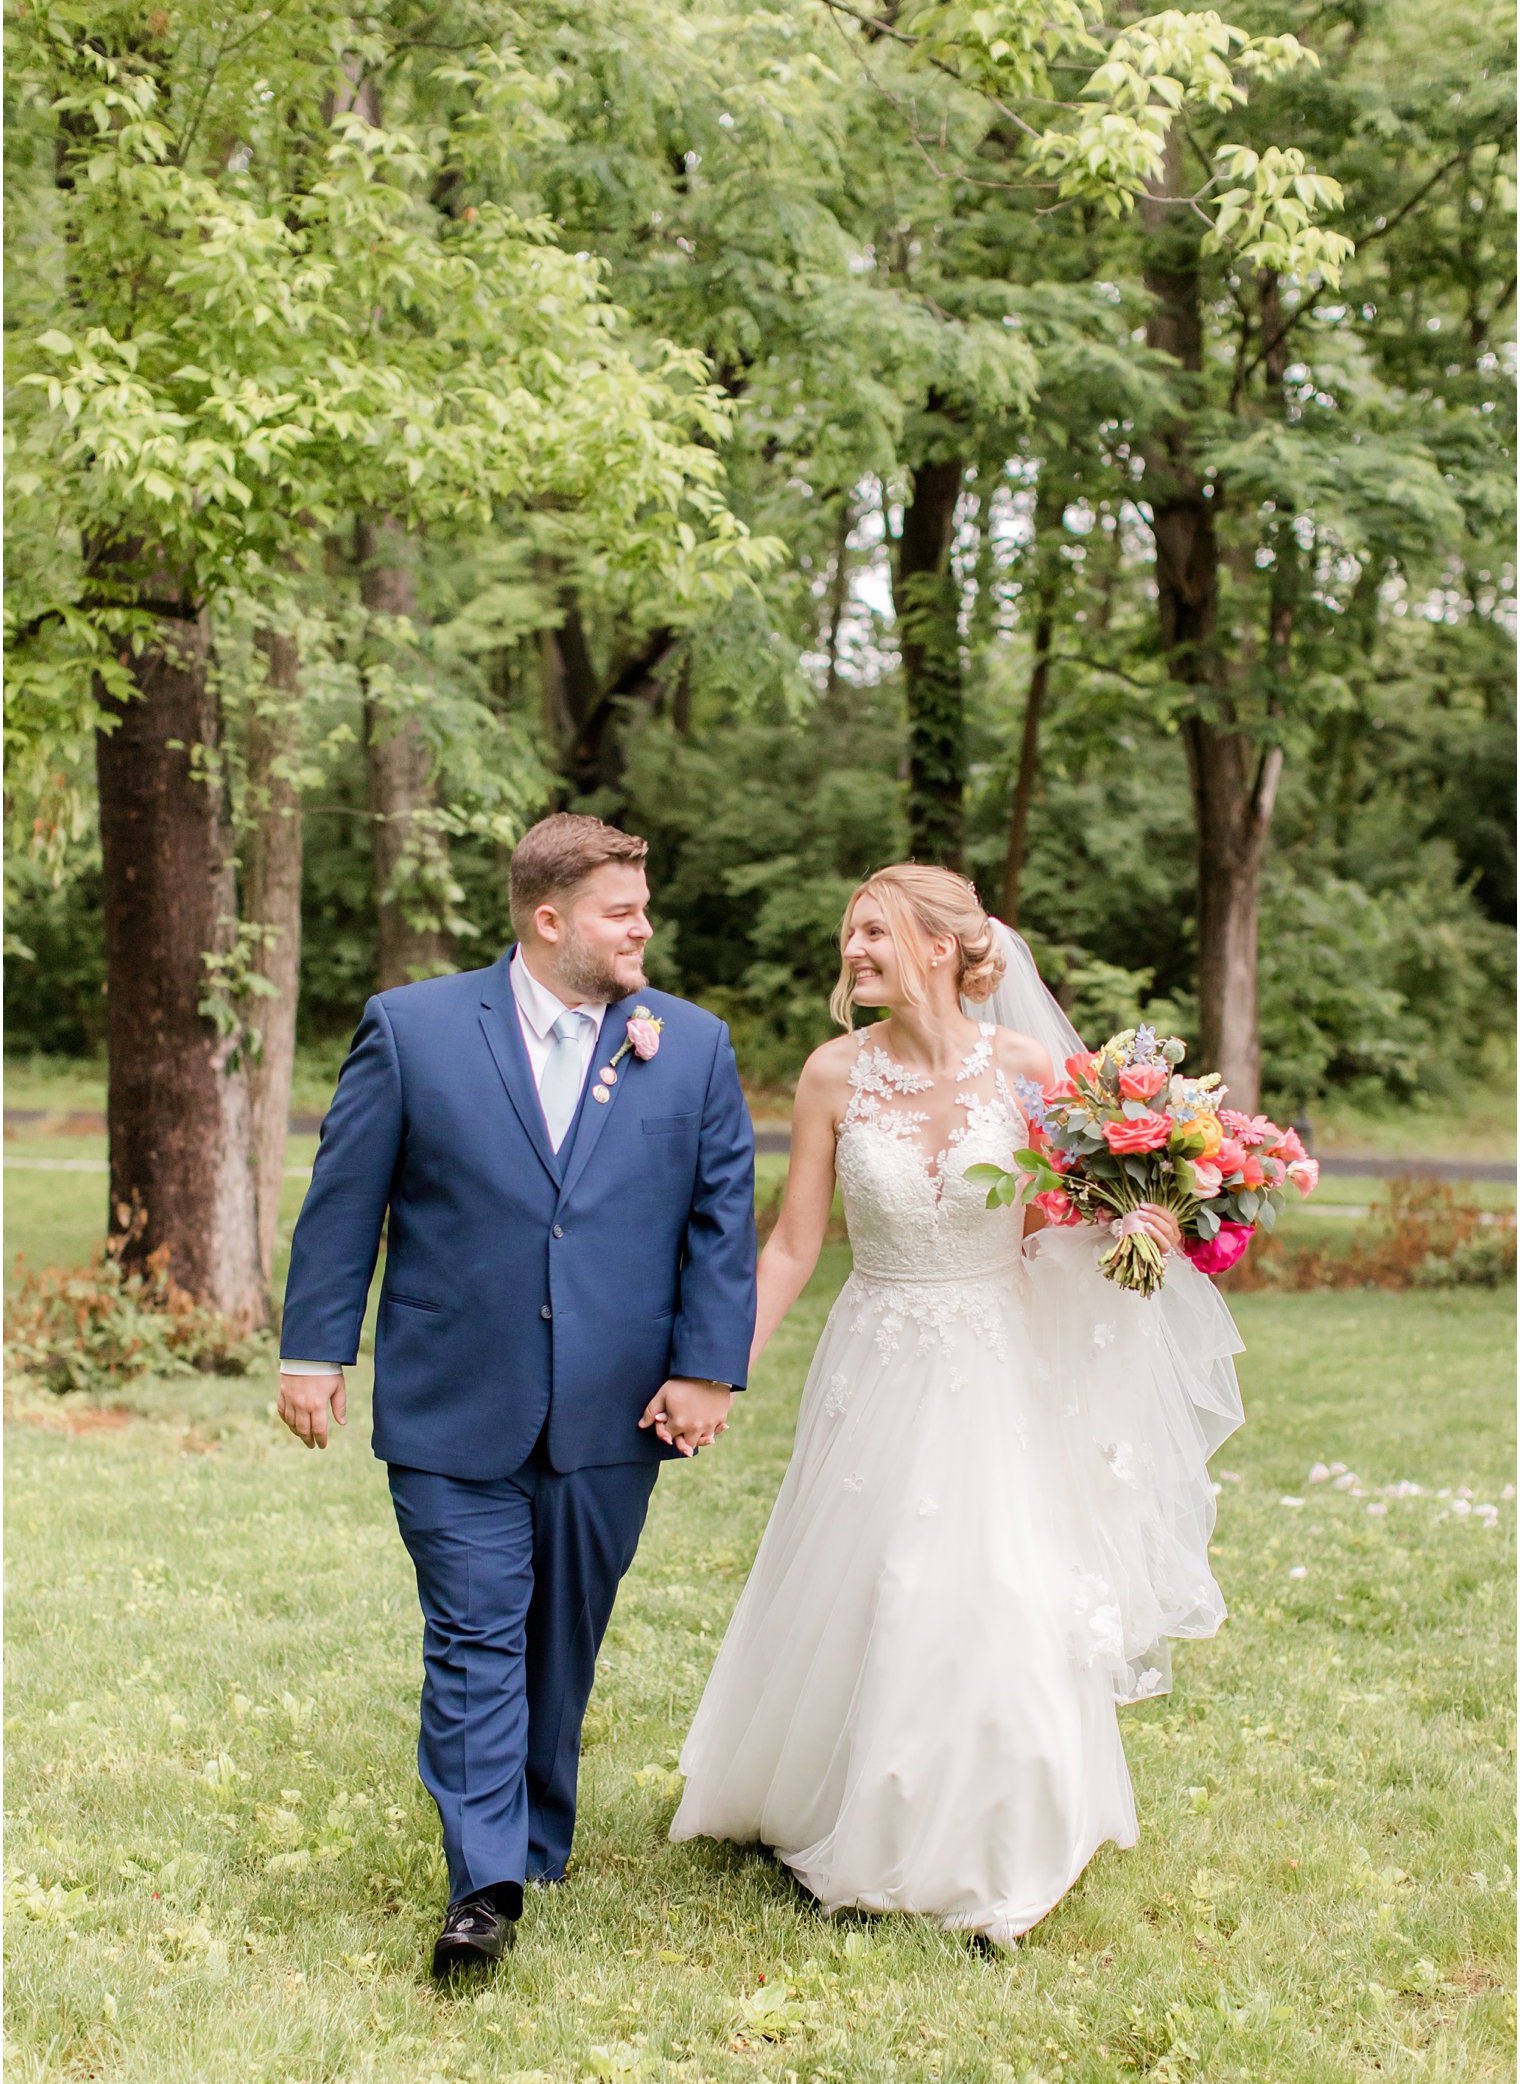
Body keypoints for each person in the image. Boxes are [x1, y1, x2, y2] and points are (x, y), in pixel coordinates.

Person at [671, 865, 1242, 1947]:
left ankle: (1004, 1831)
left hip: (997, 1359)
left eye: (874, 933)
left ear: (942, 946)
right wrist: (717, 1367)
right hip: (878, 1355)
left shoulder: (1028, 1068)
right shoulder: (832, 1075)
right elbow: (794, 1244)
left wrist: (1133, 1233)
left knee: (998, 1583)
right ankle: (851, 1805)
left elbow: (1045, 1232)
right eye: (849, 935)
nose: (853, 952)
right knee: (880, 1576)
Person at [277, 815, 756, 1977]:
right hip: (454, 1401)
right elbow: (348, 1203)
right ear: (549, 920)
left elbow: (719, 1217)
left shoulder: (686, 1044)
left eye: (643, 906)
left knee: (561, 1641)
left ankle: (536, 1835)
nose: (642, 926)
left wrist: (705, 1366)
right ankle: (482, 1884)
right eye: (619, 910)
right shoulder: (414, 1028)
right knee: (476, 1632)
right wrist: (312, 1350)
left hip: (614, 1407)